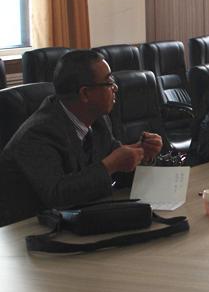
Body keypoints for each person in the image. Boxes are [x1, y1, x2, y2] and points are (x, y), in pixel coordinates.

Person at [0, 50, 162, 226]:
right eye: (109, 82)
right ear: (85, 94)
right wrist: (110, 165)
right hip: (29, 230)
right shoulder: (37, 135)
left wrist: (142, 154)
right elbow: (57, 195)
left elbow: (118, 171)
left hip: (79, 221)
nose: (115, 87)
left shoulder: (98, 120)